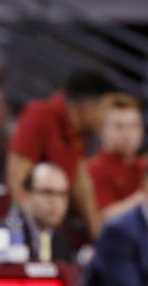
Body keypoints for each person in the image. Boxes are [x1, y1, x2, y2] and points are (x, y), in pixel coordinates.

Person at [6, 69, 116, 239]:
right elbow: (18, 183)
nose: (106, 118)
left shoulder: (78, 134)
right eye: (105, 110)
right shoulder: (39, 116)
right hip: (18, 233)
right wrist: (30, 238)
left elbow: (82, 187)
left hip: (51, 231)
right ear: (87, 108)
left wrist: (98, 237)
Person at [0, 163, 74, 262]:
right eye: (48, 192)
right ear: (26, 194)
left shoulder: (64, 241)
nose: (55, 201)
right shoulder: (1, 235)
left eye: (62, 194)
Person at [87, 92, 148, 220]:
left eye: (134, 126)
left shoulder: (147, 167)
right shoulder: (92, 170)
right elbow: (102, 220)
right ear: (101, 130)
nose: (128, 134)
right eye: (119, 126)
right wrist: (146, 197)